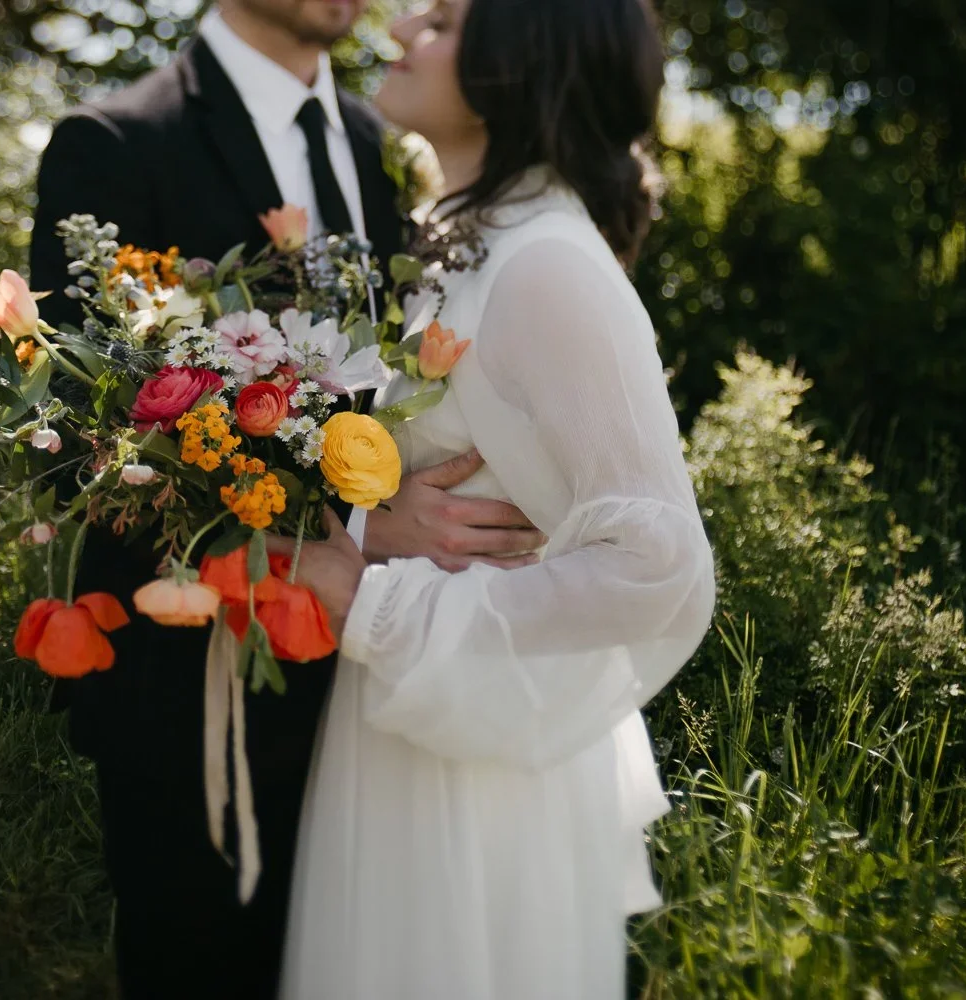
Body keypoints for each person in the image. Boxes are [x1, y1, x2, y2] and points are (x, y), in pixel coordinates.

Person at [27, 3, 545, 997]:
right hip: (194, 693)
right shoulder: (118, 144)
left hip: (379, 687)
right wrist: (353, 522)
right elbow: (80, 448)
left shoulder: (381, 141)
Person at [277, 0, 718, 997]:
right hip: (408, 719)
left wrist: (375, 603)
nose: (398, 32)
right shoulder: (463, 240)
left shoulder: (549, 264)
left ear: (521, 62)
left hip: (475, 760)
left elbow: (661, 564)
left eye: (437, 23)